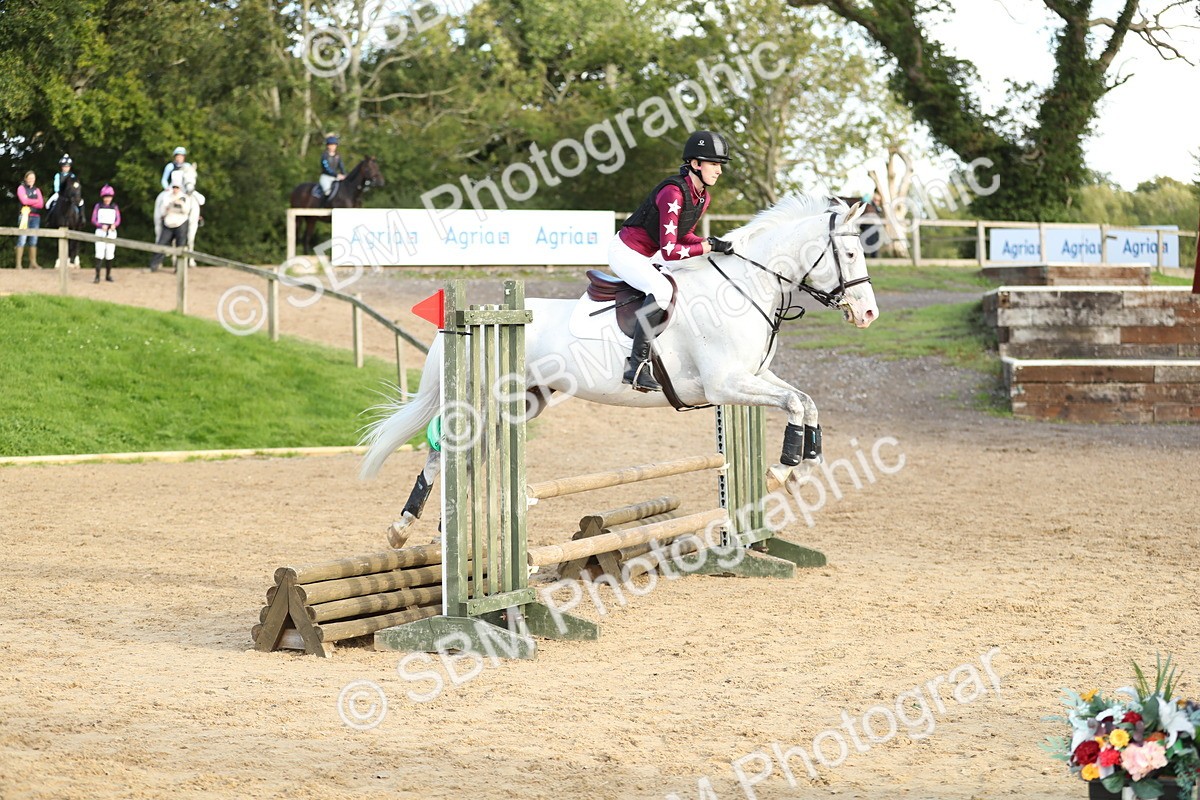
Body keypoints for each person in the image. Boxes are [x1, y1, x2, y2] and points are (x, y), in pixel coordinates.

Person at [611, 129, 734, 392]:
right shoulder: (673, 193)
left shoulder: (703, 196)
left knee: (698, 271)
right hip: (627, 252)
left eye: (720, 165)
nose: (719, 171)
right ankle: (637, 366)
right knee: (662, 290)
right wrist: (706, 246)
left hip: (652, 252)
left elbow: (684, 235)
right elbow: (670, 252)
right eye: (714, 164)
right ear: (695, 164)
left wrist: (710, 245)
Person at [148, 174, 195, 273]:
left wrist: (180, 205)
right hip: (169, 223)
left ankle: (179, 269)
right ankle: (154, 265)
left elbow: (187, 210)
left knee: (180, 246)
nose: (175, 189)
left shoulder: (185, 198)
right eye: (174, 187)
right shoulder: (167, 197)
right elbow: (163, 211)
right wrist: (168, 208)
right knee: (161, 244)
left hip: (181, 223)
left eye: (177, 187)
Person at [91, 185, 122, 283]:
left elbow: (118, 219)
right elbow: (93, 219)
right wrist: (100, 225)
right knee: (99, 253)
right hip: (101, 231)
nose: (107, 199)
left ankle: (108, 275)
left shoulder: (114, 206)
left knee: (110, 253)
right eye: (105, 197)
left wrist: (114, 225)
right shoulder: (98, 206)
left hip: (111, 232)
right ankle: (97, 276)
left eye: (109, 197)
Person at [16, 171, 44, 268]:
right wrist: (35, 201)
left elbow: (41, 204)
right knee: (22, 239)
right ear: (26, 178)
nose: (31, 180)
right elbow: (24, 201)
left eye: (33, 178)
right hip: (24, 216)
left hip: (35, 217)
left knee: (34, 240)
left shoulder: (37, 190)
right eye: (30, 178)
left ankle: (33, 263)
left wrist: (30, 201)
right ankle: (18, 264)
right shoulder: (21, 188)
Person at [318, 135, 346, 204]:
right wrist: (336, 174)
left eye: (334, 145)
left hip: (335, 178)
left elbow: (341, 166)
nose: (333, 147)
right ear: (328, 146)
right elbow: (326, 168)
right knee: (327, 191)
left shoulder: (338, 156)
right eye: (331, 145)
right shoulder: (325, 156)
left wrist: (344, 174)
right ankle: (324, 205)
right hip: (326, 177)